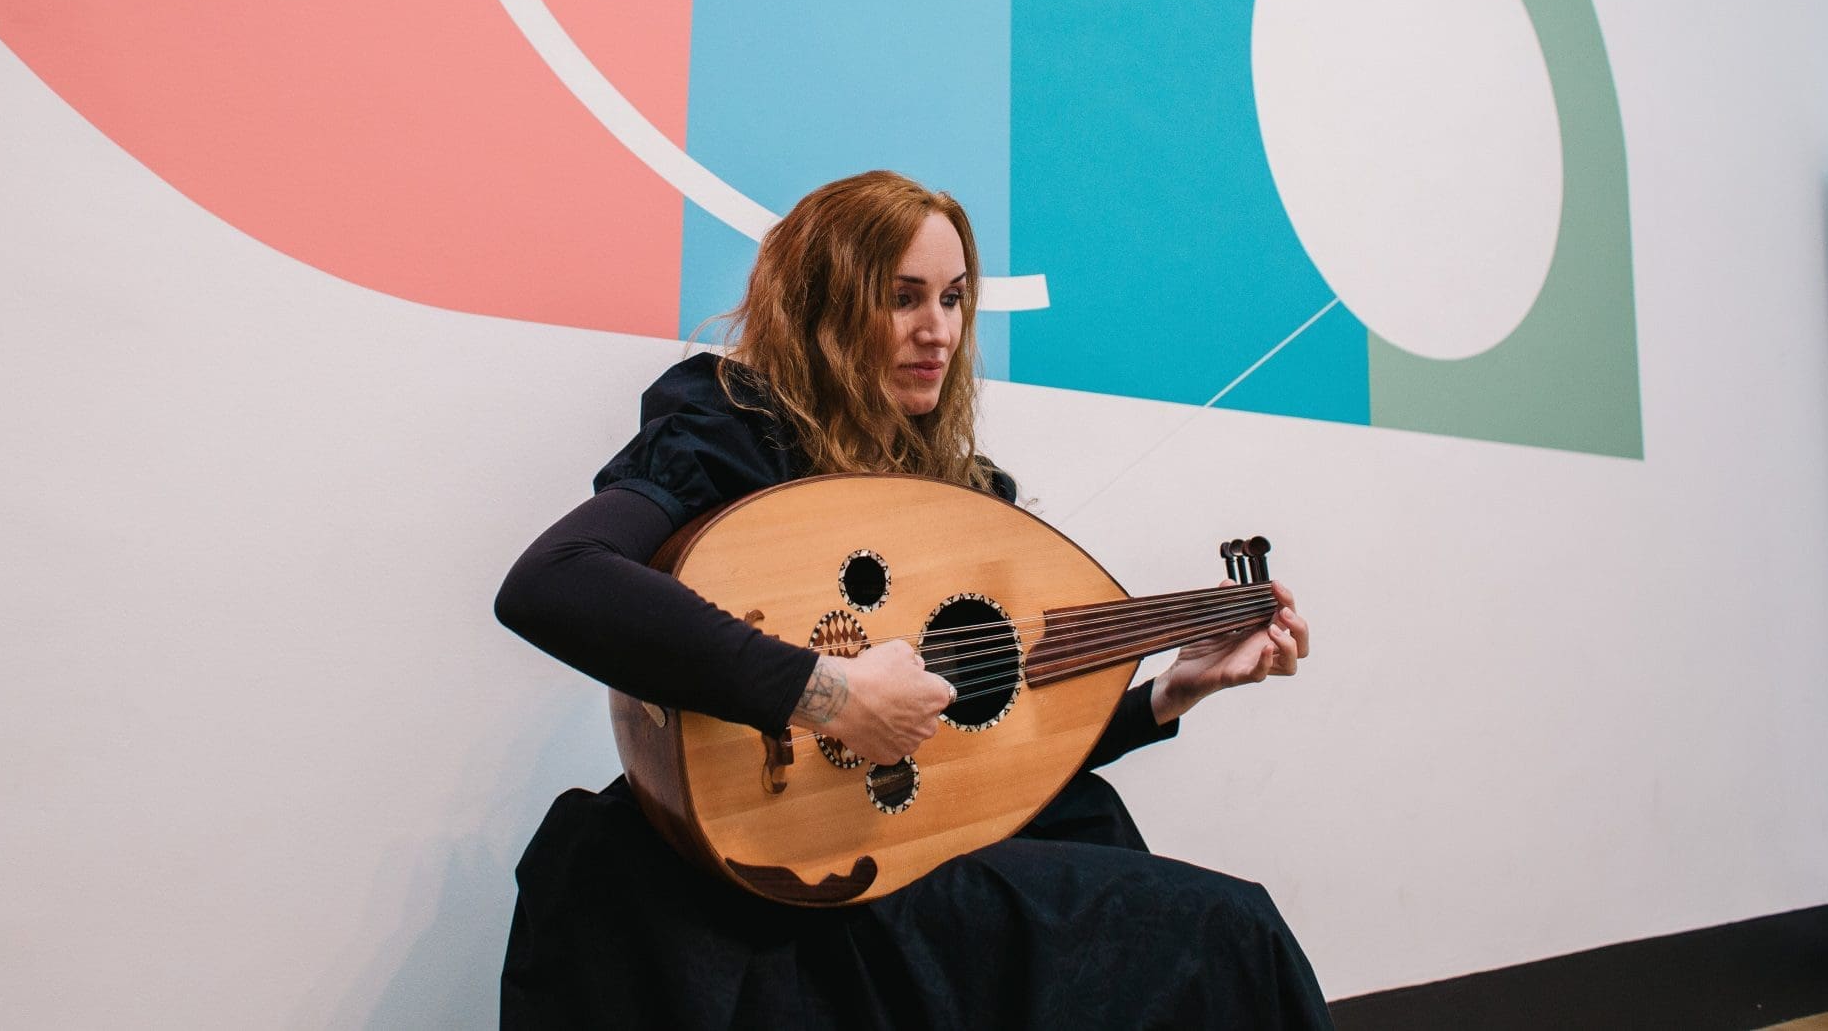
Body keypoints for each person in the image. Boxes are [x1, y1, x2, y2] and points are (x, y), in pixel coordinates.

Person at [494, 171, 1331, 1029]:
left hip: (910, 855)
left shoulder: (964, 497)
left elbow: (984, 758)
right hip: (779, 884)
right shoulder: (734, 432)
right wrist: (828, 692)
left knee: (1202, 918)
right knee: (1228, 931)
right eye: (902, 298)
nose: (938, 330)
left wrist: (1169, 692)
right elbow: (555, 578)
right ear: (822, 307)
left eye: (954, 298)